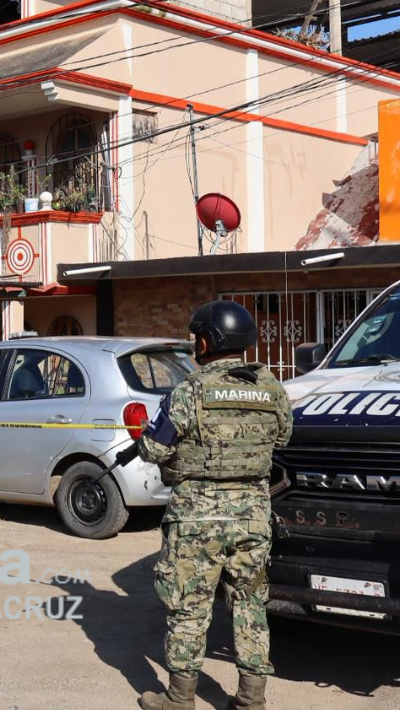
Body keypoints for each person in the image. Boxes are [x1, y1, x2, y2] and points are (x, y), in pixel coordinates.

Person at [133, 301, 292, 710]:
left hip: (197, 520)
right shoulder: (272, 389)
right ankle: (251, 701)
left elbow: (152, 448)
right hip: (253, 517)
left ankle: (180, 698)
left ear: (206, 341)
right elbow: (283, 439)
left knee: (189, 607)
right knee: (250, 604)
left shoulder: (189, 390)